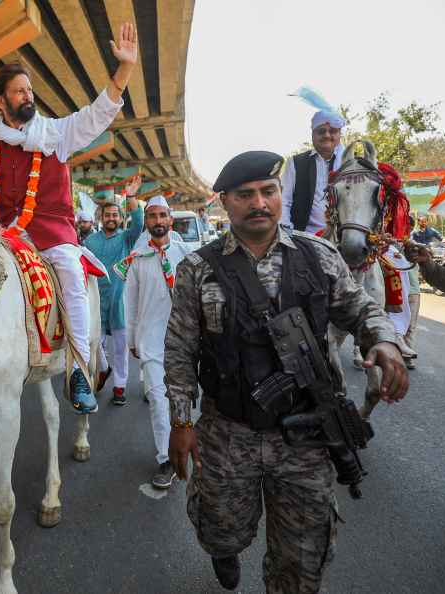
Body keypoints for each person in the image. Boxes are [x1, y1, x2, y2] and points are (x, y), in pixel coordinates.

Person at [165, 150, 408, 592]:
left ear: (280, 195)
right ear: (225, 202)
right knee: (220, 527)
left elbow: (361, 308)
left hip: (305, 435)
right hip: (227, 432)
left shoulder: (319, 256)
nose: (259, 202)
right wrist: (181, 421)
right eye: (245, 194)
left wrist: (386, 341)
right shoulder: (197, 269)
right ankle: (225, 550)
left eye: (268, 191)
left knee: (302, 558)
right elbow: (180, 349)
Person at [0, 23, 138, 414]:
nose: (28, 96)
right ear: (0, 101)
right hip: (2, 236)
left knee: (73, 277)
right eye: (20, 91)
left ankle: (77, 369)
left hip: (54, 234)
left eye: (30, 90)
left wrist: (123, 70)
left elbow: (98, 114)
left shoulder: (56, 133)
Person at [122, 196, 189, 488]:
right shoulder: (136, 260)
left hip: (185, 341)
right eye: (153, 216)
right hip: (151, 341)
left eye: (163, 216)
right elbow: (130, 302)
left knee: (183, 400)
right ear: (146, 222)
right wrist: (133, 339)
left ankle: (190, 444)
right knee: (159, 403)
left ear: (170, 220)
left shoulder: (187, 253)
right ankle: (166, 460)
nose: (158, 221)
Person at [84, 176, 143, 405]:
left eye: (115, 215)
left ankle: (119, 387)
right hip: (96, 302)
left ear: (120, 219)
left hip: (119, 302)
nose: (111, 218)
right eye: (107, 215)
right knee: (93, 343)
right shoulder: (90, 242)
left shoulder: (127, 238)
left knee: (120, 348)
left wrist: (131, 197)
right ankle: (103, 369)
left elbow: (138, 222)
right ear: (102, 217)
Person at [280, 110, 346, 233]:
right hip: (304, 239)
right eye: (321, 131)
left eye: (332, 131)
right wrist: (286, 229)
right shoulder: (296, 163)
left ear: (339, 134)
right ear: (313, 134)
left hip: (344, 241)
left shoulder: (351, 163)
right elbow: (284, 200)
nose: (327, 135)